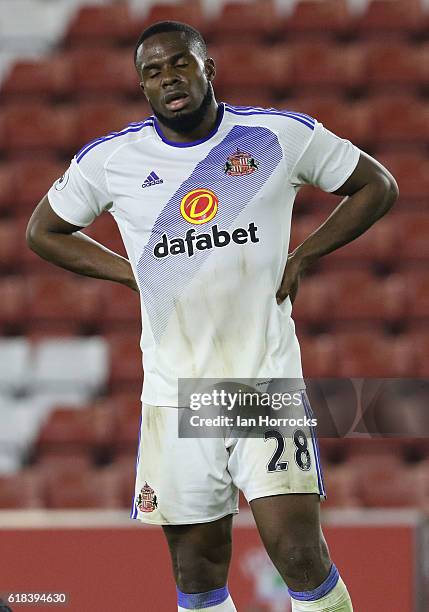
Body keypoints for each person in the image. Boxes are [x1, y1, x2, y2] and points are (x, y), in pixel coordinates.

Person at [26, 21, 398, 612]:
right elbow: (42, 231)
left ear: (208, 68)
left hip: (261, 384)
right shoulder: (114, 160)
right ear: (142, 86)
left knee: (300, 555)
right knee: (198, 574)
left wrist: (306, 254)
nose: (168, 79)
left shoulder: (276, 135)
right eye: (152, 72)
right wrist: (128, 272)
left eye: (180, 64)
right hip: (175, 395)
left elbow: (377, 185)